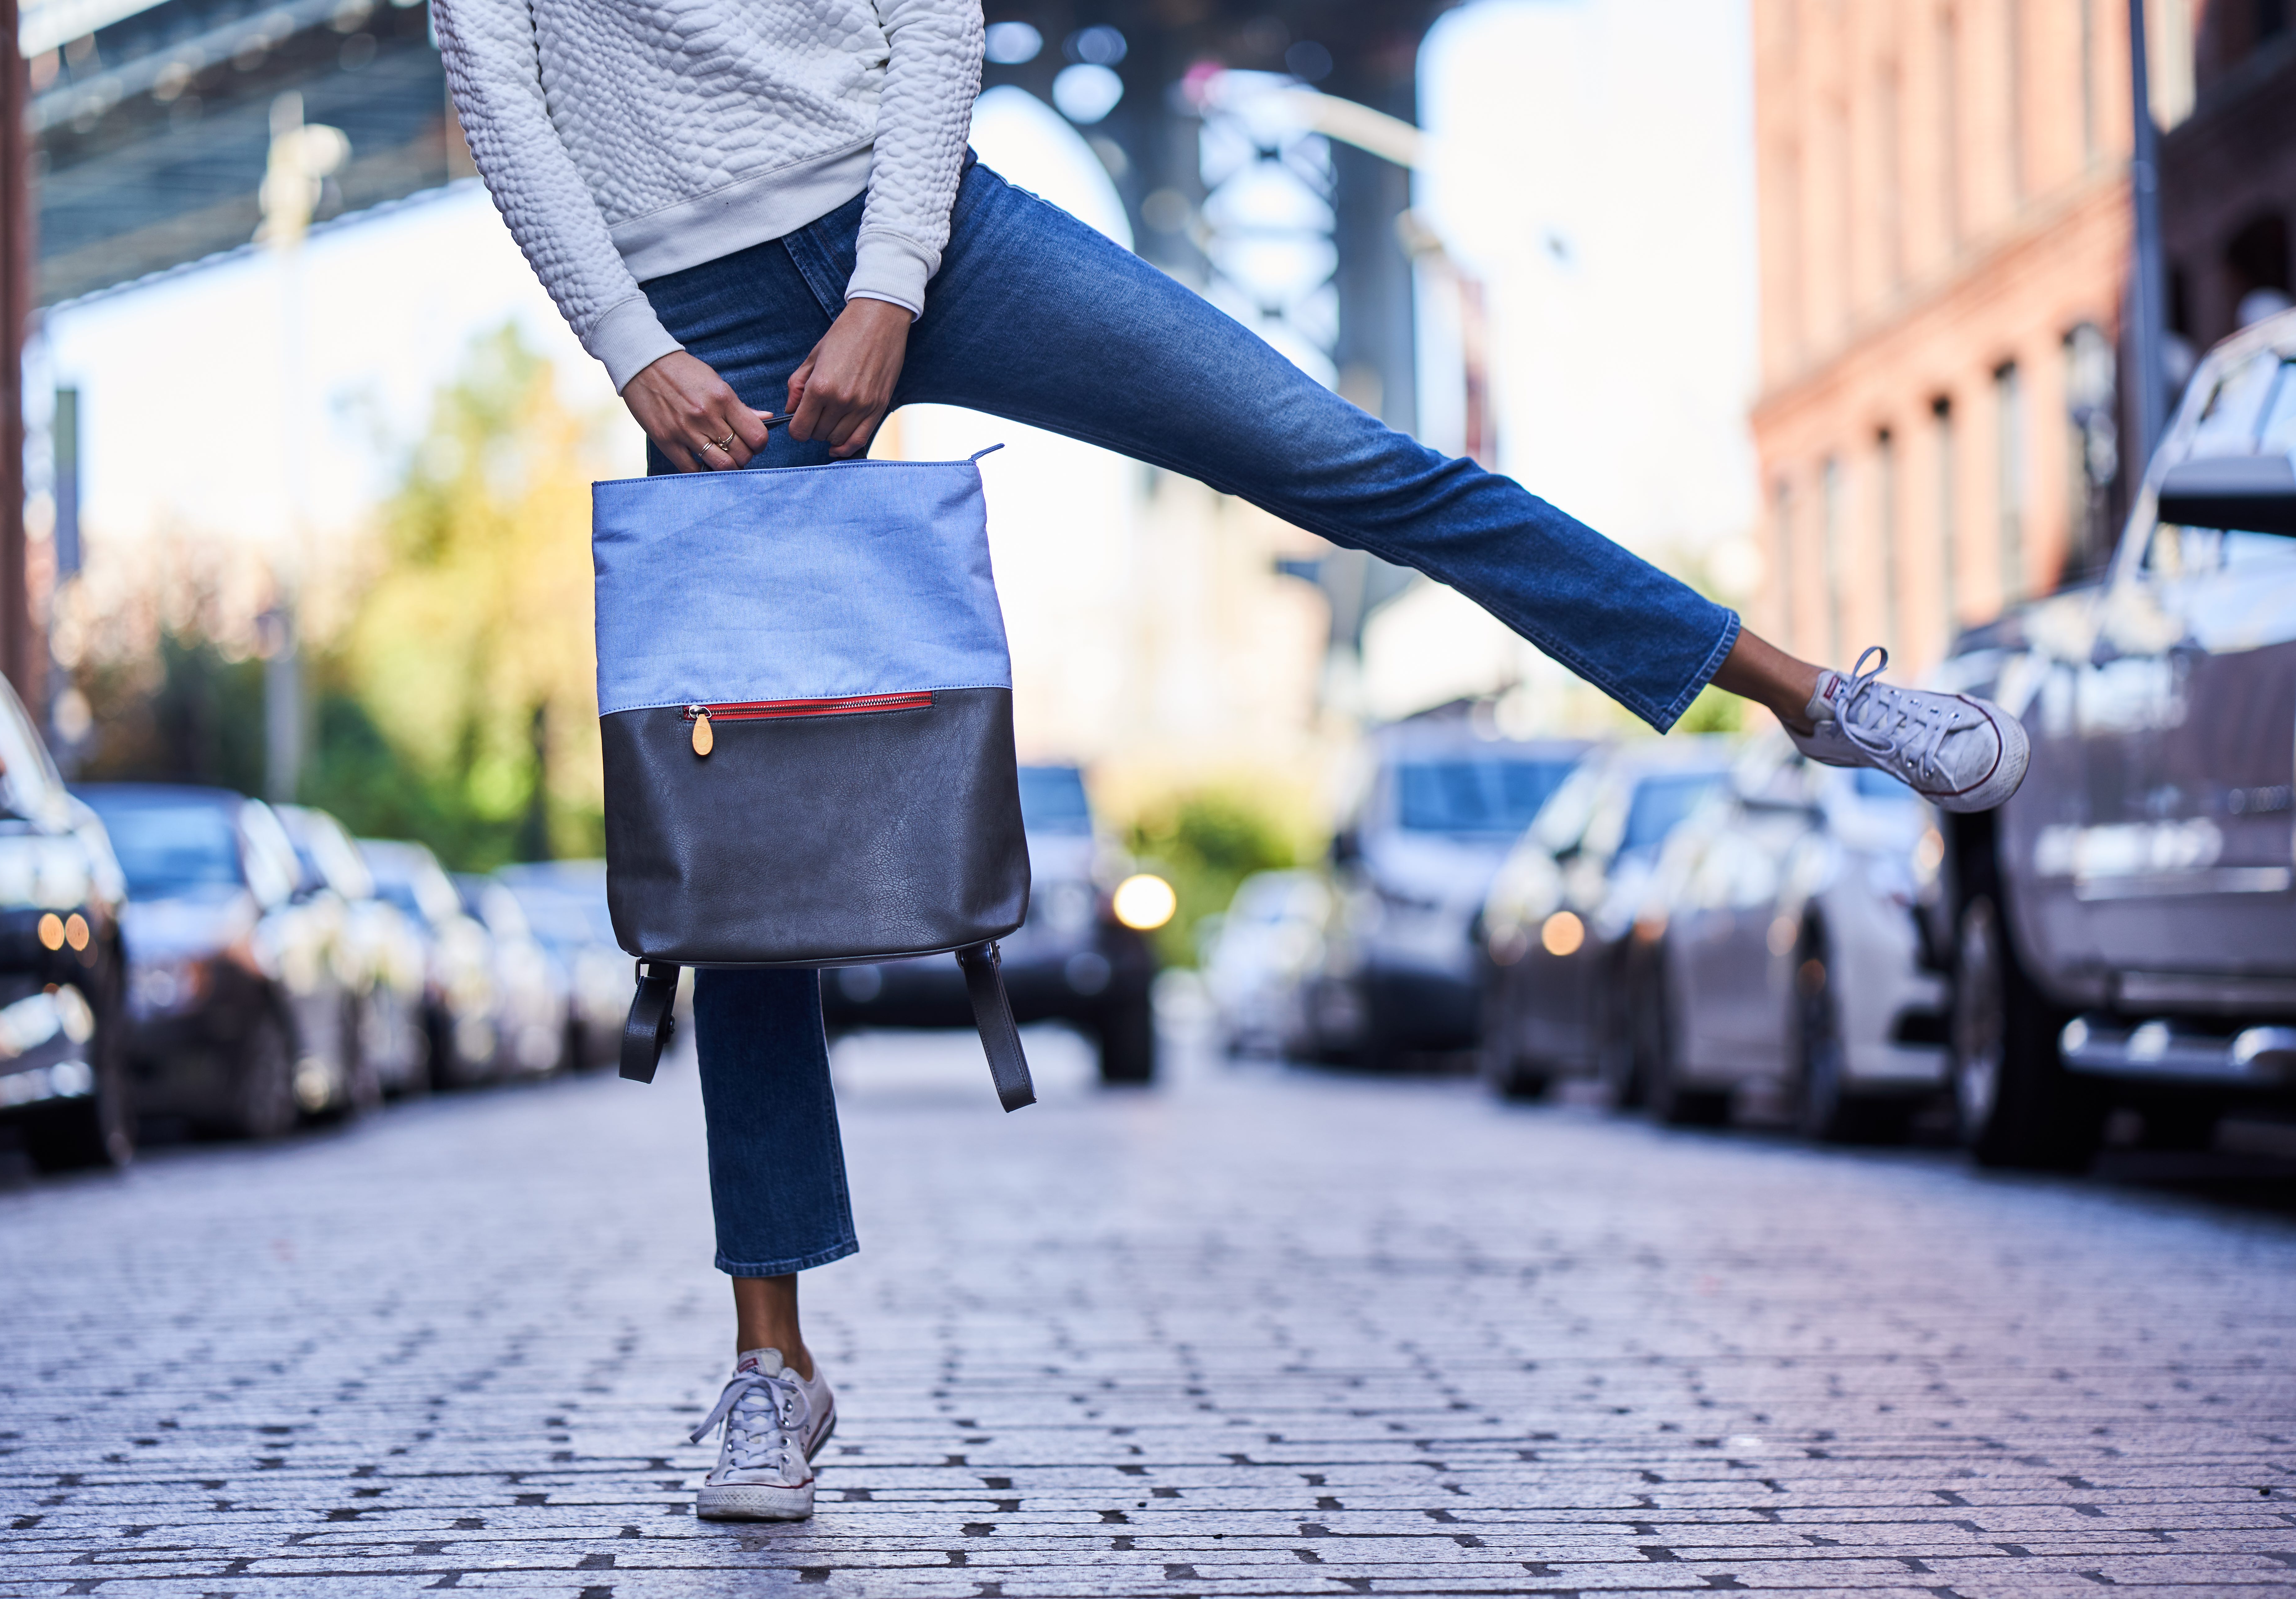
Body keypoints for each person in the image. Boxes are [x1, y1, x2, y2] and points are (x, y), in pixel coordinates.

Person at [430, 0, 2029, 1523]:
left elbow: (931, 20)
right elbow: (496, 84)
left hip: (932, 233)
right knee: (748, 843)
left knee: (1340, 458)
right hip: (693, 311)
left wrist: (888, 284)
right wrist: (632, 347)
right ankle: (770, 1363)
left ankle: (1804, 693)